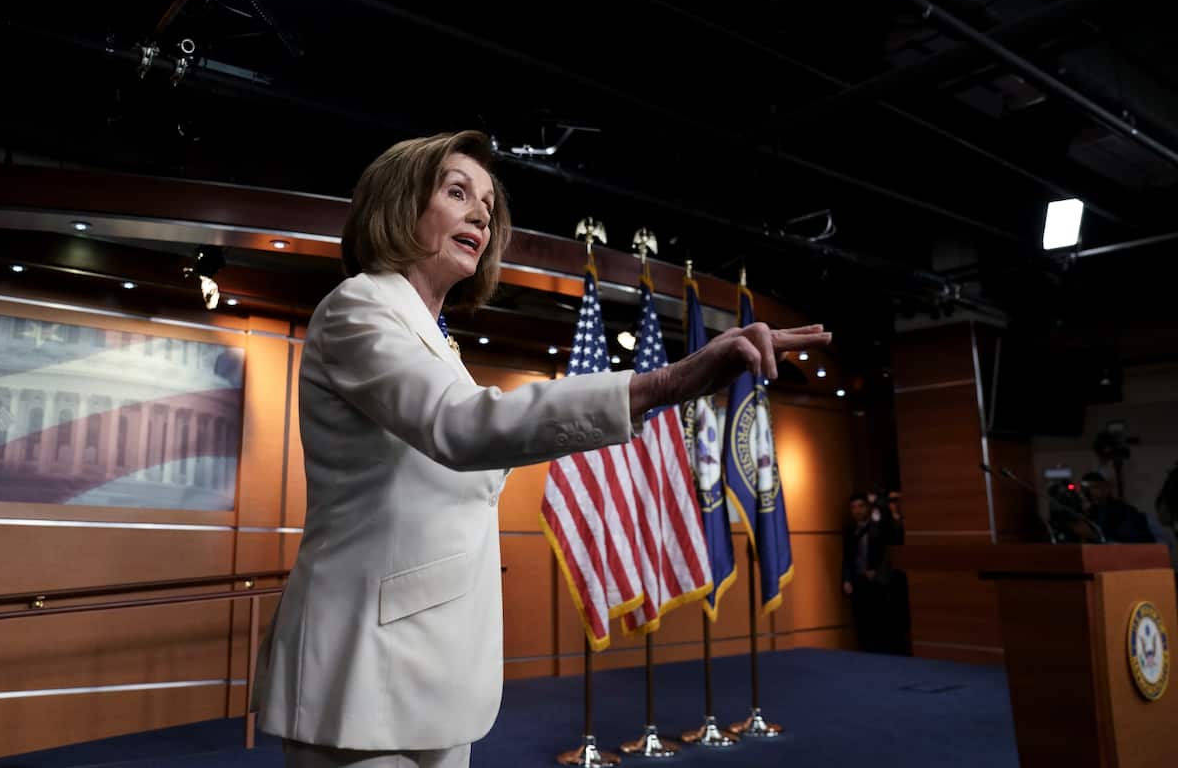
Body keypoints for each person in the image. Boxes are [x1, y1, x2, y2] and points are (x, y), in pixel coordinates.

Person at [250, 130, 831, 768]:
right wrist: (665, 383)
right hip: (361, 672)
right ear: (398, 203)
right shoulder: (358, 308)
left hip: (425, 670)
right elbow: (461, 425)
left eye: (488, 205)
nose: (481, 215)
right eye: (457, 193)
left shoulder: (434, 339)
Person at [841, 491, 903, 654]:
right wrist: (846, 579)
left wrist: (876, 571)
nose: (857, 510)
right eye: (853, 507)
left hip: (879, 581)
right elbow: (847, 556)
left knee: (882, 622)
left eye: (861, 506)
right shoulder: (850, 530)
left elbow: (889, 548)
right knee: (863, 623)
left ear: (868, 508)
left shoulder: (878, 526)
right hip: (858, 581)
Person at [1080, 471, 1155, 544]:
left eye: (1094, 488)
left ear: (1106, 488)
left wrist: (1094, 536)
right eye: (1086, 489)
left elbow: (1129, 545)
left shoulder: (1124, 512)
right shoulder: (1090, 513)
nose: (1090, 493)